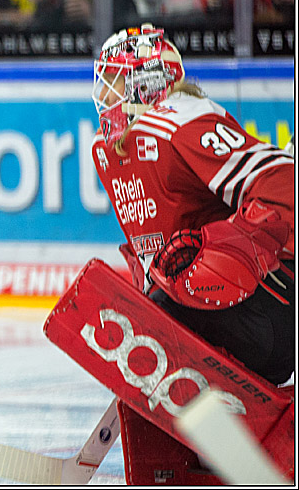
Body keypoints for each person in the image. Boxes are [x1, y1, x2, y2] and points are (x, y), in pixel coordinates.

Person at [90, 23, 294, 387]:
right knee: (152, 302)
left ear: (146, 81)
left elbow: (285, 182)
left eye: (115, 80)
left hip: (269, 314)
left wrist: (227, 247)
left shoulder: (181, 120)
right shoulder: (108, 150)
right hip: (217, 316)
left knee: (166, 297)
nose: (104, 95)